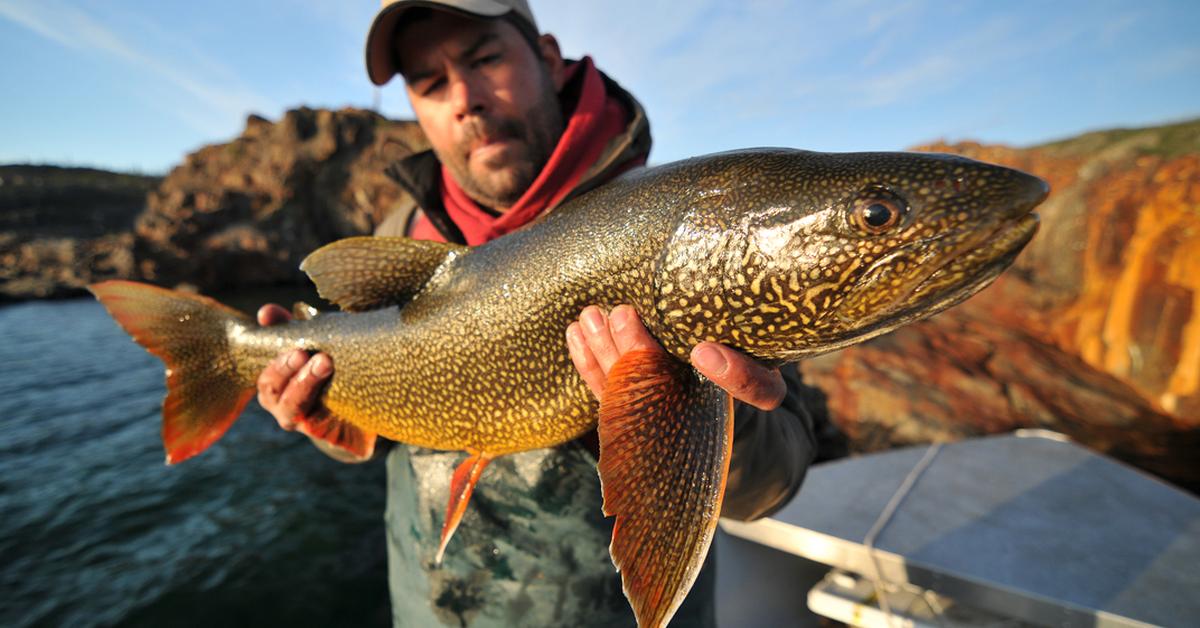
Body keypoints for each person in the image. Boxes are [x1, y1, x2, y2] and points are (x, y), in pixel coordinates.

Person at [254, 1, 817, 625]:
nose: (464, 97)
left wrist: (692, 406)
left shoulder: (687, 230)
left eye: (485, 58)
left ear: (547, 58)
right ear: (415, 107)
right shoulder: (398, 236)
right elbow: (375, 432)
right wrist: (316, 412)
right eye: (431, 83)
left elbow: (774, 481)